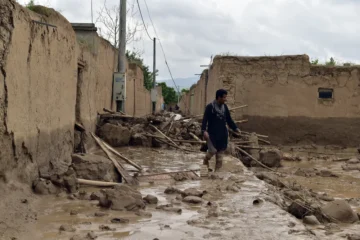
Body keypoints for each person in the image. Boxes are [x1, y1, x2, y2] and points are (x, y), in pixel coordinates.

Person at [201, 89, 241, 173]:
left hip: (222, 134)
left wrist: (235, 128)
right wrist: (204, 131)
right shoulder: (210, 107)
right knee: (212, 151)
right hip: (212, 134)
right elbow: (204, 120)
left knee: (220, 155)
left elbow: (229, 120)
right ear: (219, 97)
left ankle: (217, 174)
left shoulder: (225, 107)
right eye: (224, 97)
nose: (225, 99)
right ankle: (205, 161)